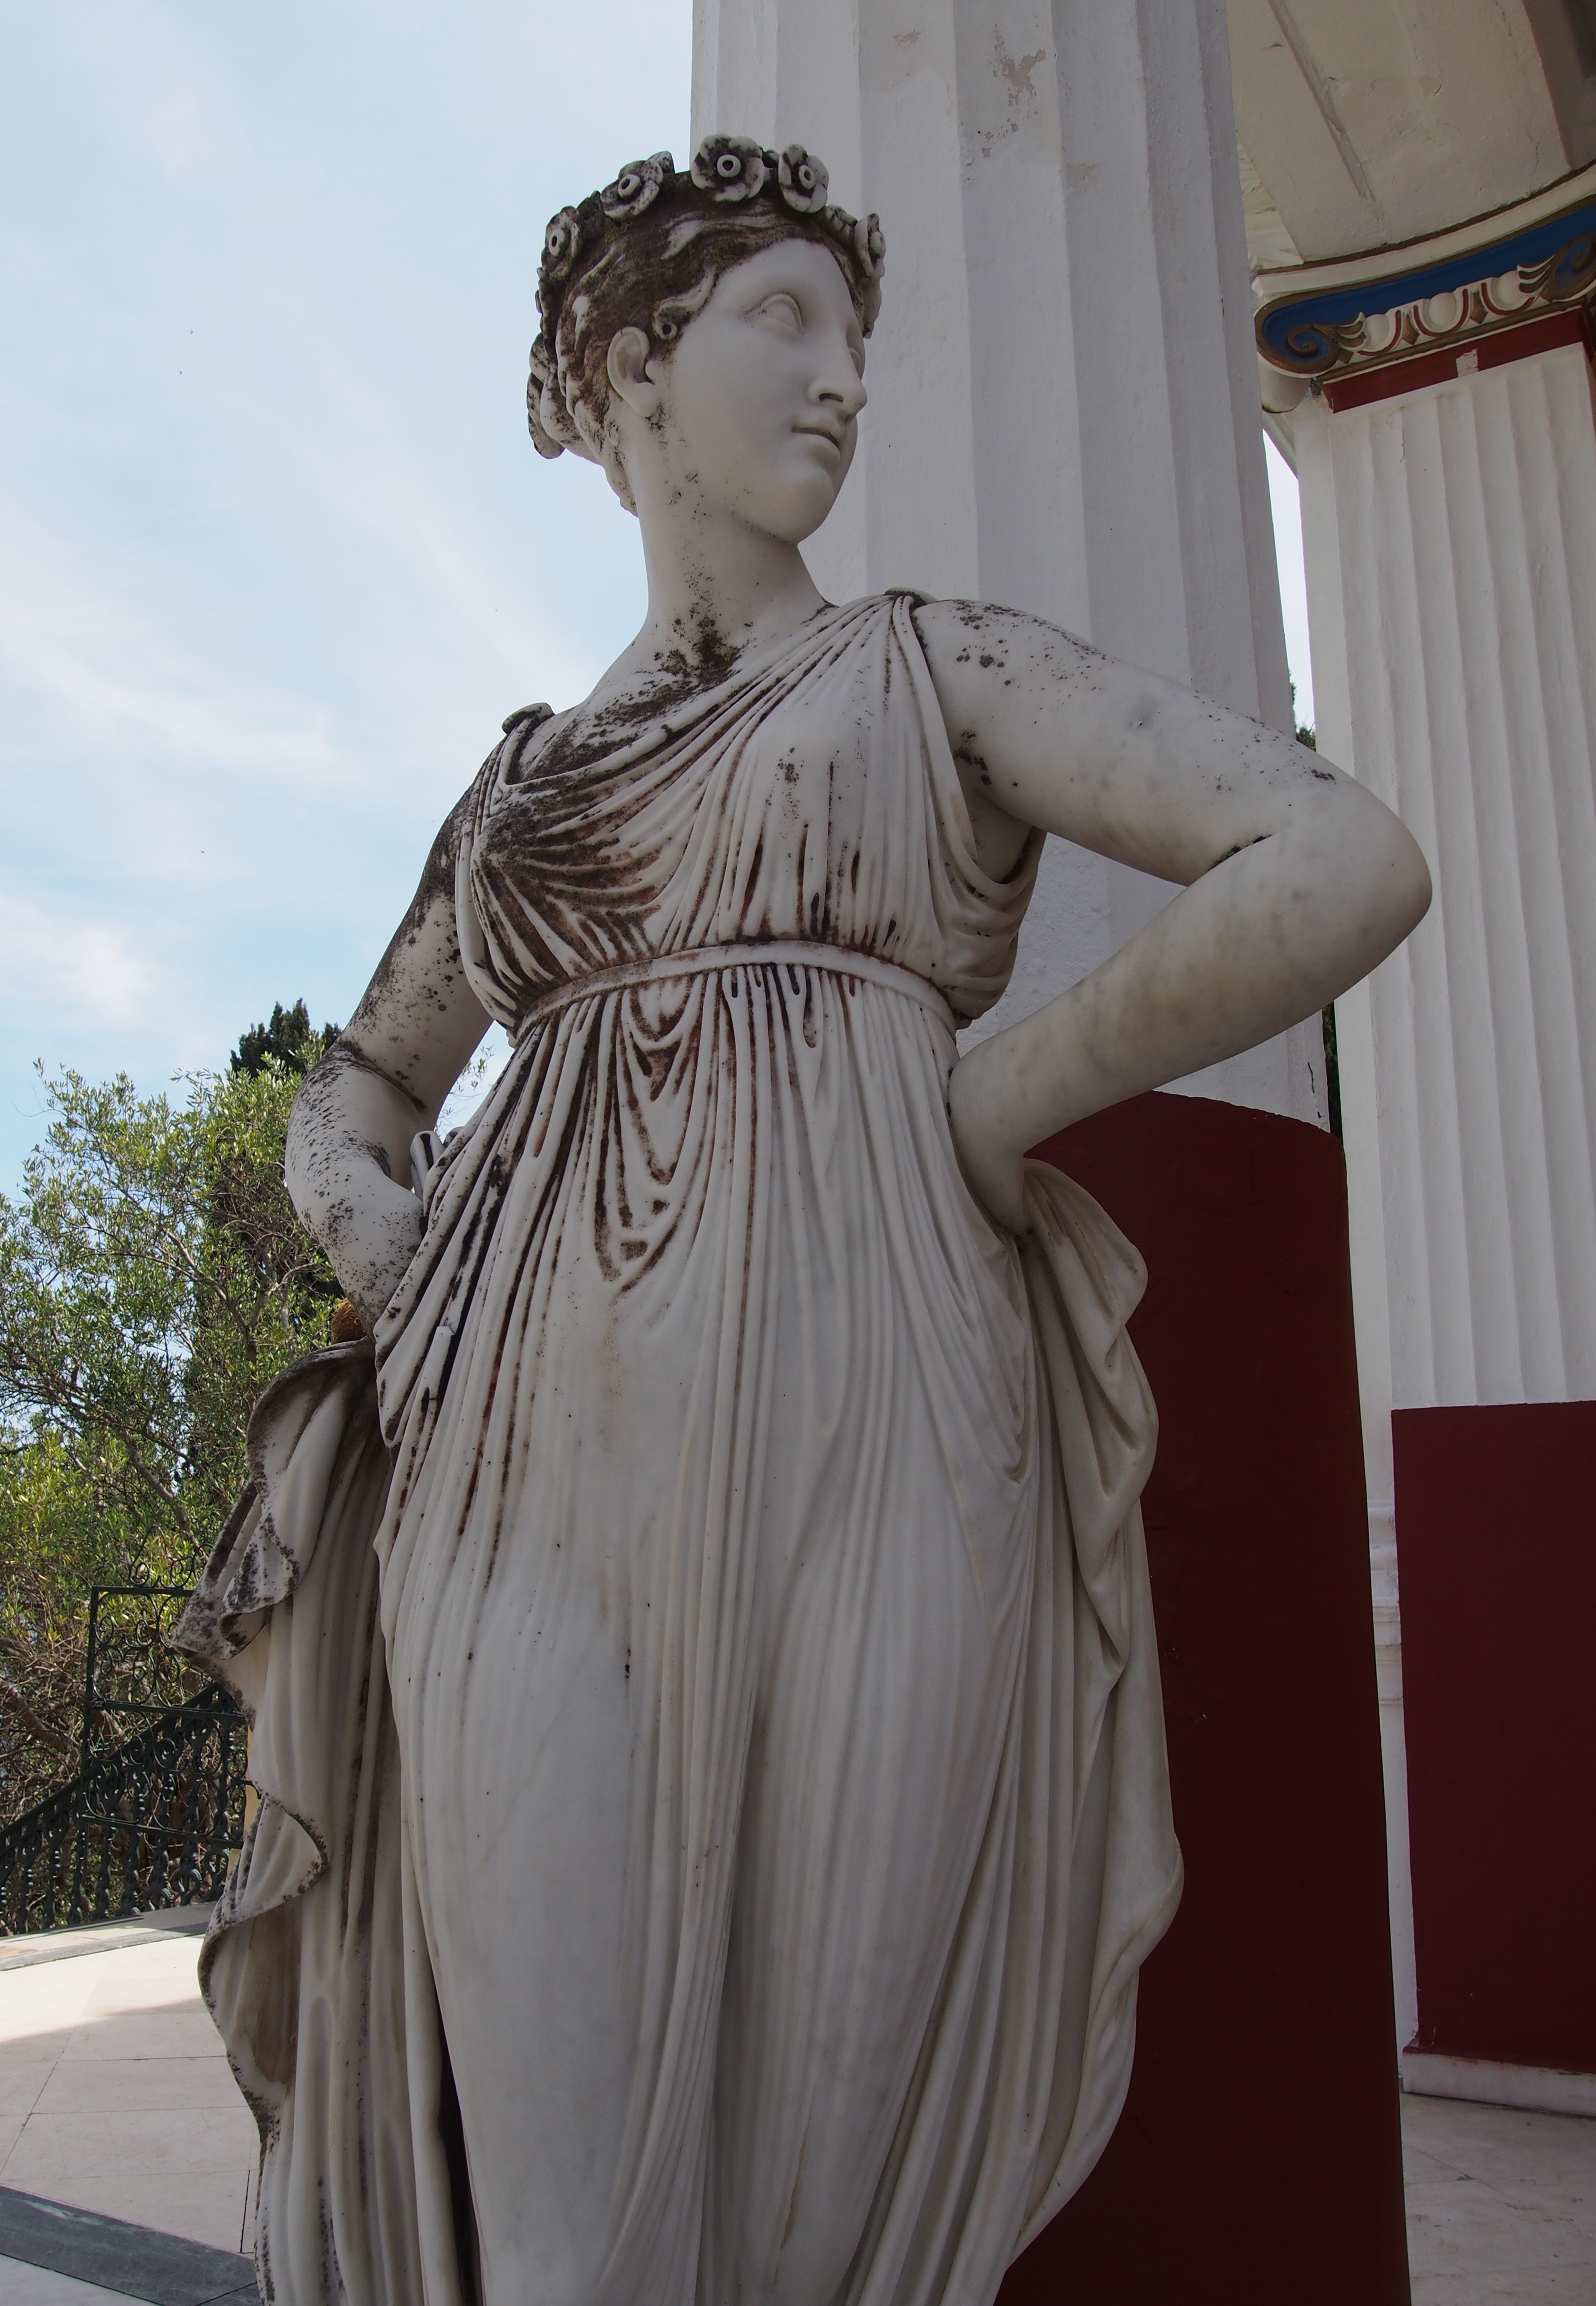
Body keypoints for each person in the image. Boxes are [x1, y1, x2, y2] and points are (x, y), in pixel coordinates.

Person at [176, 136, 1429, 2306]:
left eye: (854, 334)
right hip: (517, 1457)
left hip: (885, 1415)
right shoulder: (520, 792)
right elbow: (355, 1095)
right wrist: (396, 1255)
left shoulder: (935, 671)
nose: (843, 378)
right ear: (633, 372)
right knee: (562, 2236)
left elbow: (1341, 857)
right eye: (783, 320)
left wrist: (994, 1092)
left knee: (814, 2220)